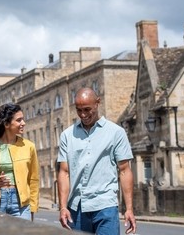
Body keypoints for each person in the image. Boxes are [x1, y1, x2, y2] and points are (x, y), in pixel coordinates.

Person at [57, 87, 137, 234]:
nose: (83, 114)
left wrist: (129, 209)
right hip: (77, 208)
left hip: (105, 205)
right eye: (79, 110)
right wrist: (63, 207)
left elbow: (125, 170)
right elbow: (64, 172)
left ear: (97, 103)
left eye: (87, 109)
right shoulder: (67, 136)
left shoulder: (116, 133)